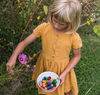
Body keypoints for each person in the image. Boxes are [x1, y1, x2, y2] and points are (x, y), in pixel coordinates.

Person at [6, 0, 82, 95]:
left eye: (61, 24)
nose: (56, 25)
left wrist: (65, 73)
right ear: (51, 14)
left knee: (67, 89)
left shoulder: (73, 37)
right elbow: (24, 43)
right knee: (48, 86)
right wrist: (13, 57)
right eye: (54, 20)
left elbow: (76, 56)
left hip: (63, 68)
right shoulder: (44, 28)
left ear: (72, 22)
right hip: (45, 66)